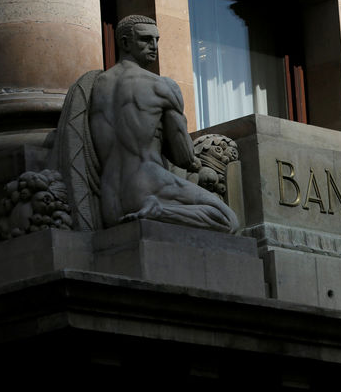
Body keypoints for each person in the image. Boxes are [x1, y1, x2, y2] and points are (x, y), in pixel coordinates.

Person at [88, 15, 239, 233]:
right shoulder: (161, 86)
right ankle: (160, 211)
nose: (154, 46)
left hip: (109, 203)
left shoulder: (97, 86)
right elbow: (184, 156)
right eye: (146, 39)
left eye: (157, 40)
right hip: (148, 188)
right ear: (124, 42)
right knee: (228, 219)